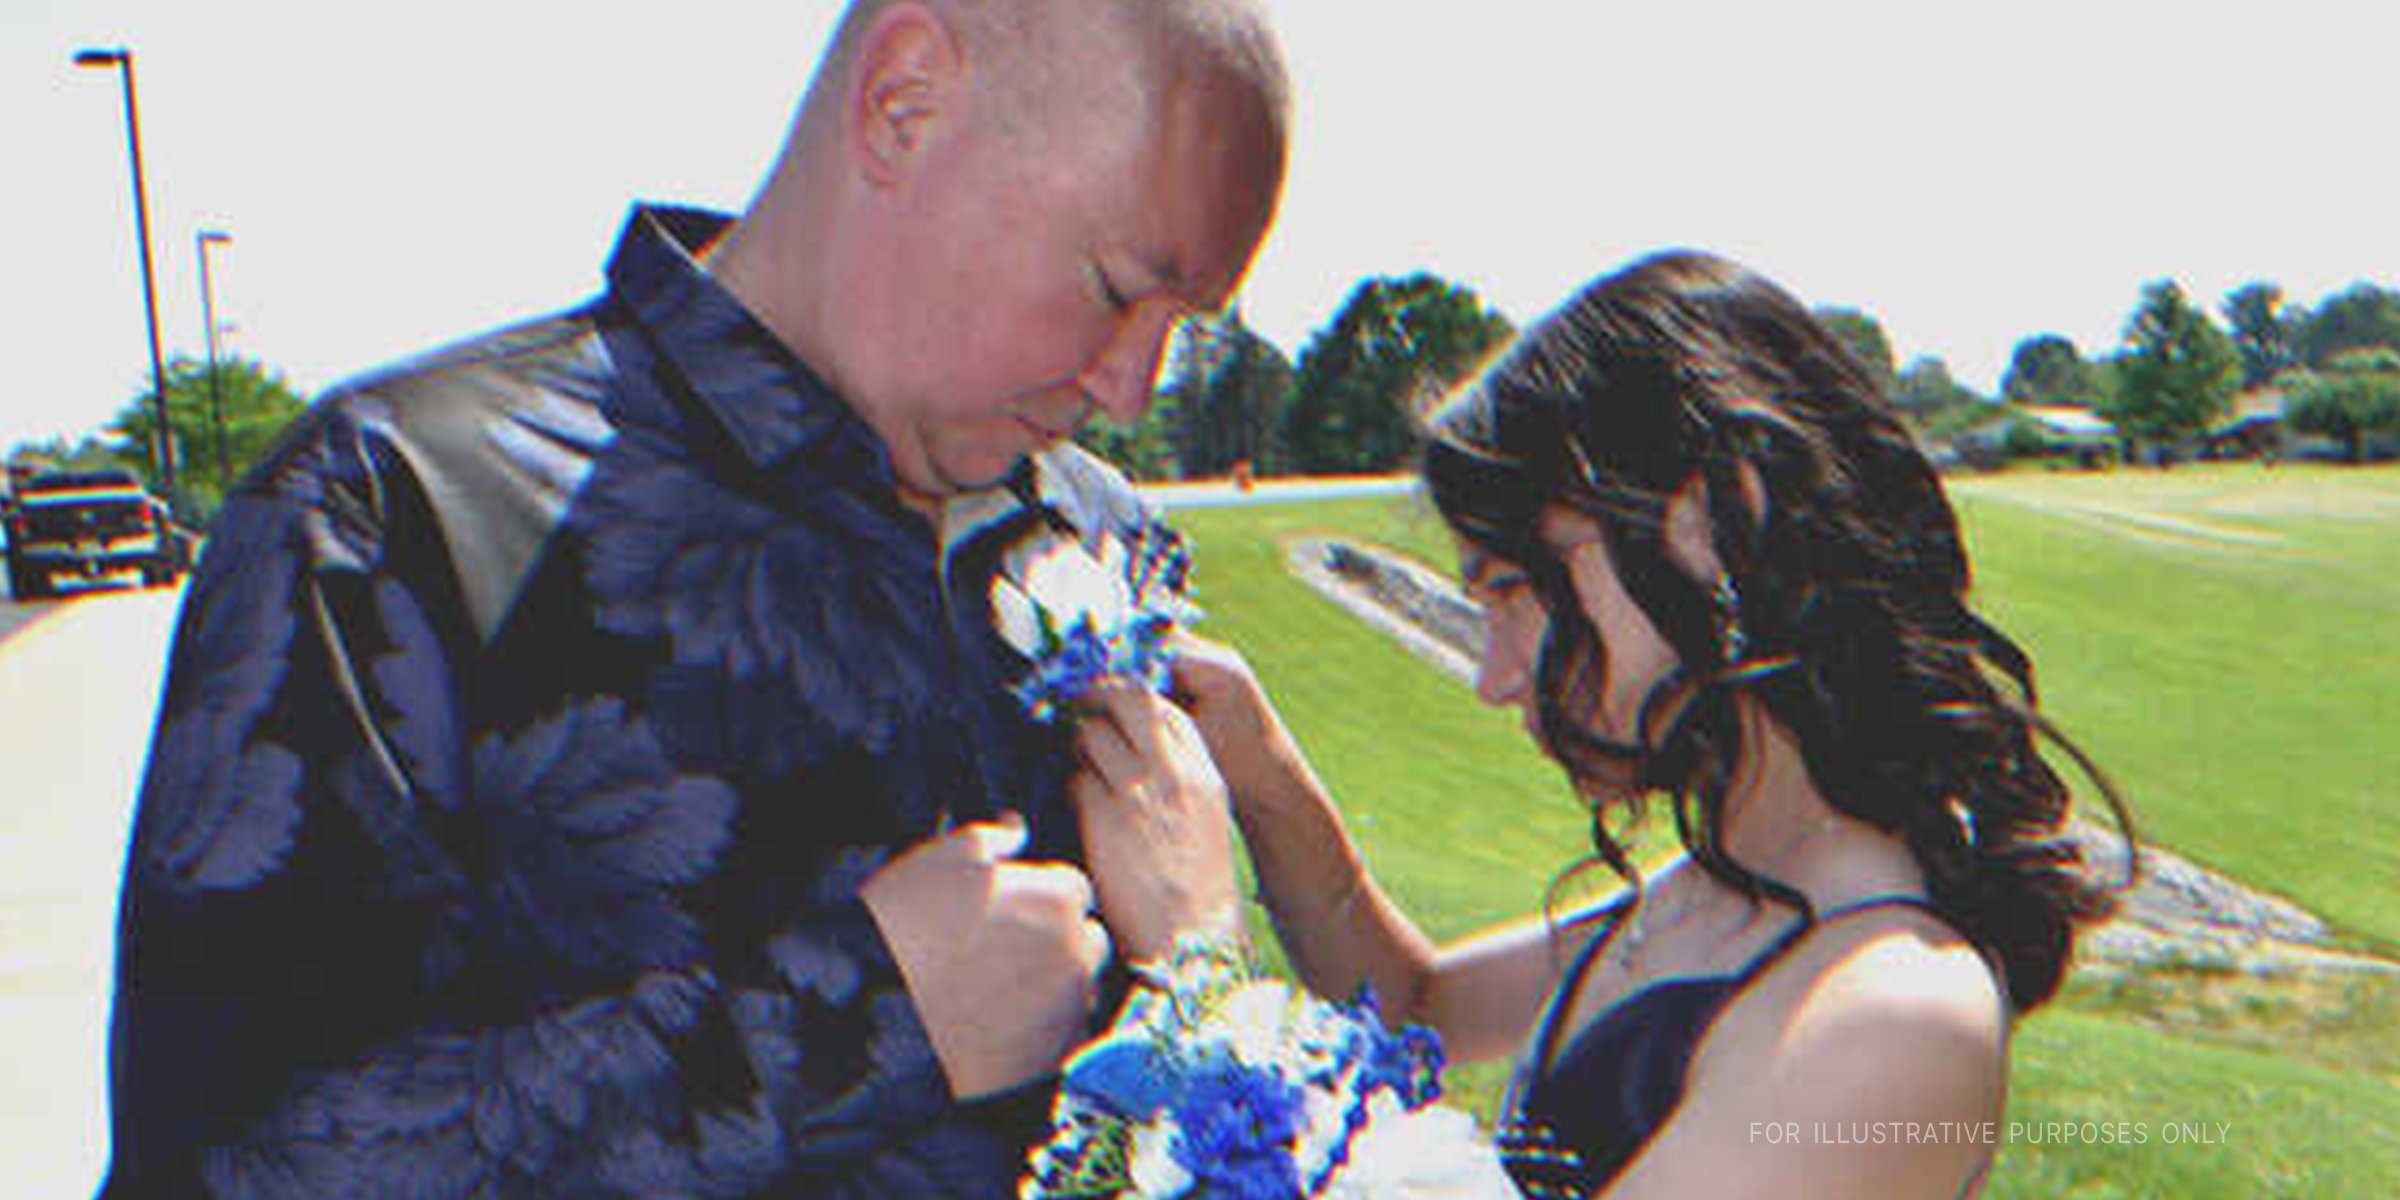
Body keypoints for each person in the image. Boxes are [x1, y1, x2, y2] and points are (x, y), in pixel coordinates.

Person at [100, 1, 1286, 1195]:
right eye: (1116, 287)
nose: (1133, 388)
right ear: (904, 100)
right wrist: (856, 1025)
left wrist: (1202, 976)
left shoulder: (1102, 537)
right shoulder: (395, 517)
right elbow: (219, 1163)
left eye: (1180, 329)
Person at [1066, 251, 2130, 1198]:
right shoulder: (1726, 887)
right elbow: (1411, 999)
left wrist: (1198, 977)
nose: (1493, 677)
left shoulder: (1892, 1015)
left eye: (1516, 589)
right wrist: (1260, 770)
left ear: (1714, 523)